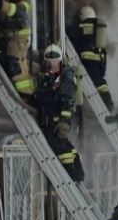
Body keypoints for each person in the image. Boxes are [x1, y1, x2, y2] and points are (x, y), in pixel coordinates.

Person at [34, 44, 84, 182]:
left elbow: (67, 101)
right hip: (51, 116)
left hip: (59, 119)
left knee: (58, 146)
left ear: (60, 61)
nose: (51, 65)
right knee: (63, 144)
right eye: (48, 62)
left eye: (54, 62)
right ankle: (79, 172)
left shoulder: (66, 76)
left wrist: (64, 122)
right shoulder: (49, 77)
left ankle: (72, 176)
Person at [68, 5, 114, 110]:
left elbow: (73, 36)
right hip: (100, 63)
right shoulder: (98, 28)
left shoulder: (82, 26)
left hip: (88, 62)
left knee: (90, 84)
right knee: (101, 84)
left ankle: (100, 107)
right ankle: (109, 105)